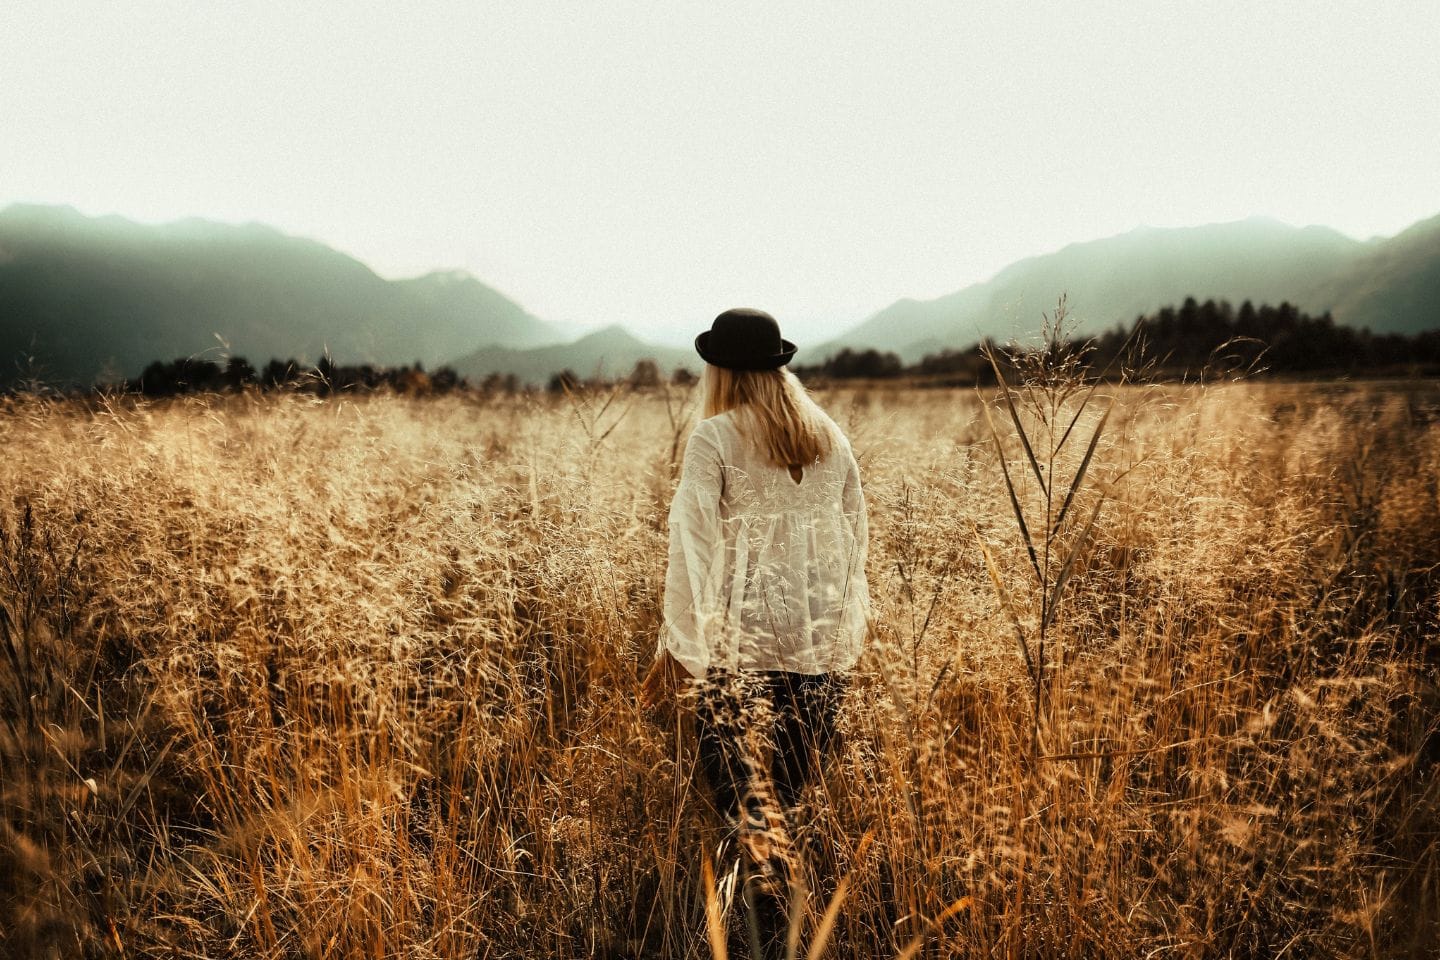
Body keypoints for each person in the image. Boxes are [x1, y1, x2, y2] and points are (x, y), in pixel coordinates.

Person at [640, 307, 870, 952]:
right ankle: (794, 928)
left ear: (719, 369)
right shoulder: (831, 437)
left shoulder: (715, 435)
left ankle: (760, 934)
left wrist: (679, 648)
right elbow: (856, 543)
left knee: (743, 806)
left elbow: (692, 549)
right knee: (791, 801)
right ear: (778, 365)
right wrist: (841, 633)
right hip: (818, 645)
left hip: (736, 649)